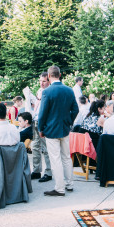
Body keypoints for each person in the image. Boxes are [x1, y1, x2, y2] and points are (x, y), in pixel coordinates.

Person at [38, 65, 79, 197]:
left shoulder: (47, 92)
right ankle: (70, 184)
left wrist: (41, 128)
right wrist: (69, 122)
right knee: (66, 157)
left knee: (55, 159)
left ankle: (59, 188)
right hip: (65, 128)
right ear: (60, 75)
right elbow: (75, 110)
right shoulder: (69, 90)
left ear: (49, 76)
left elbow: (42, 113)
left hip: (51, 130)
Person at [30, 72, 52, 182]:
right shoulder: (39, 91)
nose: (41, 83)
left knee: (45, 148)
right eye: (40, 81)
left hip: (43, 122)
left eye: (44, 81)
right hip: (35, 120)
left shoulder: (49, 92)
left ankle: (48, 172)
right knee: (35, 146)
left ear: (49, 81)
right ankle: (36, 170)